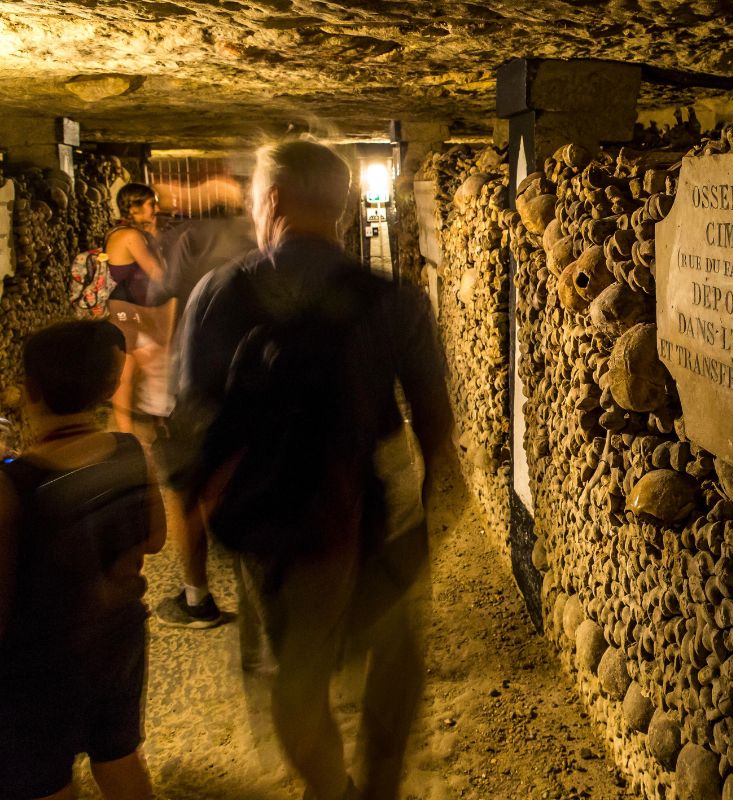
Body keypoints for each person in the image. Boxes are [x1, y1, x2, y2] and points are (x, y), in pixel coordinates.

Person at [172, 138, 452, 800]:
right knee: (394, 665)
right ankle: (377, 788)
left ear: (270, 200)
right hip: (375, 514)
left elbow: (193, 429)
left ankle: (330, 790)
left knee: (295, 681)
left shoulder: (220, 293)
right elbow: (437, 426)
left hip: (275, 526)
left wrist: (197, 541)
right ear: (345, 205)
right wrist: (430, 520)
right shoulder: (395, 299)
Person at [0, 320, 167, 800]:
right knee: (119, 758)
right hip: (118, 643)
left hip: (37, 668)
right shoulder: (132, 451)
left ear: (29, 390)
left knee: (45, 781)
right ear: (108, 386)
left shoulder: (17, 486)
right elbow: (154, 539)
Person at [151, 210, 257, 629]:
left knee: (184, 495)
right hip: (244, 397)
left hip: (193, 397)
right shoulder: (259, 258)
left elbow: (165, 309)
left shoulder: (185, 246)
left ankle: (197, 600)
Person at [104, 183, 175, 436]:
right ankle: (157, 420)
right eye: (150, 204)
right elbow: (157, 272)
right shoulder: (130, 236)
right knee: (155, 363)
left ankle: (128, 432)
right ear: (133, 207)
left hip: (128, 308)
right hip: (128, 310)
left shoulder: (131, 233)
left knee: (127, 372)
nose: (156, 208)